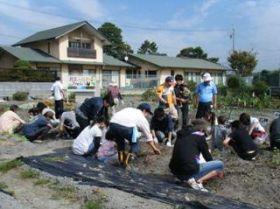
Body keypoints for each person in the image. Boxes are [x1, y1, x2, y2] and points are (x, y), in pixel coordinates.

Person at [169, 119, 224, 192]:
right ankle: (198, 180)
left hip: (175, 170)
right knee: (220, 164)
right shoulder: (200, 136)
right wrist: (211, 167)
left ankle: (183, 178)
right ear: (201, 128)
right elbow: (207, 156)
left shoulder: (181, 134)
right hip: (189, 171)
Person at [106, 103, 161, 167]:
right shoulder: (141, 117)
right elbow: (148, 136)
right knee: (135, 143)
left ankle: (121, 161)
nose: (147, 115)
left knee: (120, 141)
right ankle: (126, 163)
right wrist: (154, 149)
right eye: (147, 113)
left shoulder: (128, 109)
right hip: (125, 127)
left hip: (112, 124)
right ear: (144, 111)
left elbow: (117, 117)